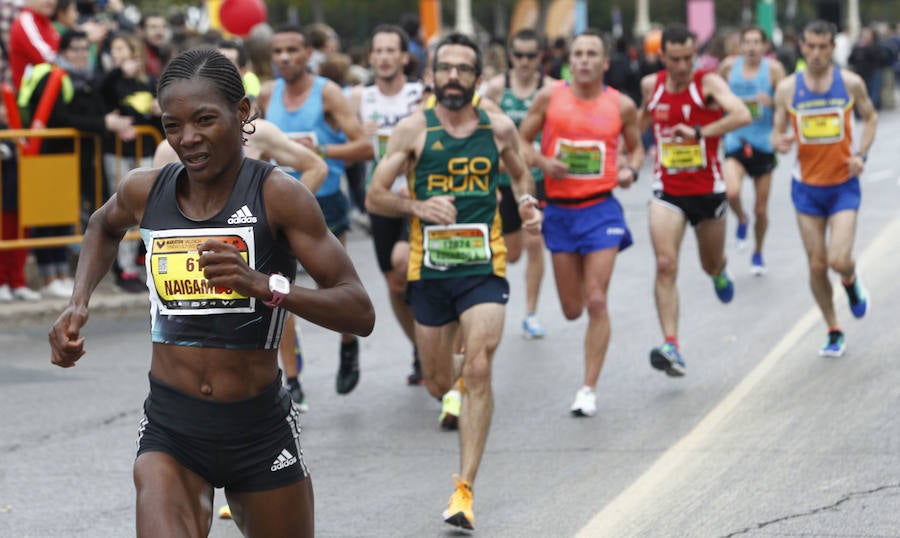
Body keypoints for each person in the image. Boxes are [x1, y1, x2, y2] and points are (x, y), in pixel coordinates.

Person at [49, 48, 375, 537]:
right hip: (172, 428)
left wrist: (266, 286)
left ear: (242, 114)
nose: (189, 139)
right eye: (172, 125)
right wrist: (77, 305)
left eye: (204, 120)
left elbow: (359, 310)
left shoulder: (278, 195)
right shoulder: (147, 191)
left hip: (259, 430)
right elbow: (101, 225)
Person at [366, 32, 541, 531]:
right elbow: (376, 196)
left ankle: (464, 490)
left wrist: (527, 207)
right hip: (431, 270)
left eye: (465, 70)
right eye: (446, 69)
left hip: (484, 264)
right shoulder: (412, 131)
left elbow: (522, 177)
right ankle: (453, 390)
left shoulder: (500, 128)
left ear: (478, 79)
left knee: (480, 366)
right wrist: (417, 206)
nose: (454, 78)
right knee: (440, 381)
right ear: (431, 76)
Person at [519, 29, 643, 416]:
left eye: (592, 54)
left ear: (605, 62)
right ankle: (587, 379)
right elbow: (519, 143)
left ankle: (588, 388)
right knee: (572, 308)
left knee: (596, 299)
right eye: (578, 54)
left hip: (601, 209)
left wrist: (630, 172)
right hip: (559, 210)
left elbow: (637, 150)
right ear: (569, 61)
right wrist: (543, 162)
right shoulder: (549, 97)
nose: (585, 60)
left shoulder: (621, 105)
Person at [258, 24, 374, 401]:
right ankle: (292, 381)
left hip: (322, 200)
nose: (285, 58)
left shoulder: (328, 93)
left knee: (332, 285)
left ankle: (347, 343)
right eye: (278, 51)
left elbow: (363, 148)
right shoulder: (266, 93)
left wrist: (317, 151)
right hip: (276, 204)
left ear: (309, 54)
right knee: (276, 290)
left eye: (293, 50)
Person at [639, 24, 751, 376]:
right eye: (676, 59)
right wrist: (628, 156)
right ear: (663, 58)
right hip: (667, 189)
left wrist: (700, 132)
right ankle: (671, 344)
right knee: (665, 264)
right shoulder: (651, 86)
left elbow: (742, 114)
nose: (684, 65)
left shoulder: (708, 83)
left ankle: (719, 271)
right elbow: (638, 122)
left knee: (709, 263)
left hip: (707, 190)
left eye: (689, 57)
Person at [772, 20, 877, 357]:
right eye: (810, 47)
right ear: (801, 46)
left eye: (823, 47)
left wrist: (861, 153)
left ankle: (850, 279)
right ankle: (833, 327)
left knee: (838, 259)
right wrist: (781, 142)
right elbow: (776, 133)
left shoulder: (850, 83)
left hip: (843, 184)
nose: (816, 54)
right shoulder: (788, 89)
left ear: (832, 47)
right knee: (817, 264)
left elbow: (871, 117)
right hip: (806, 188)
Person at [349, 24, 425, 384]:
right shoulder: (358, 99)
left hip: (416, 199)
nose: (383, 57)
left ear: (404, 57)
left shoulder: (419, 94)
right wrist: (358, 139)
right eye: (377, 51)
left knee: (409, 268)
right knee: (394, 284)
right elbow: (348, 149)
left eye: (390, 51)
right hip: (379, 201)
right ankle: (421, 349)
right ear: (370, 58)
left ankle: (433, 337)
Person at [483, 28, 554, 341]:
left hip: (539, 180)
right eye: (519, 55)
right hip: (504, 179)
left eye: (531, 55)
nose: (525, 61)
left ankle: (530, 313)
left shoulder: (551, 90)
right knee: (512, 254)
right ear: (510, 56)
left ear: (540, 57)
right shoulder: (496, 90)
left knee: (535, 242)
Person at [718, 26, 786, 274]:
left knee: (761, 208)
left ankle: (758, 252)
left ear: (765, 46)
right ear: (741, 45)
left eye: (757, 42)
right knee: (732, 192)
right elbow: (714, 95)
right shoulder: (728, 67)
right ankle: (742, 219)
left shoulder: (774, 70)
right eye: (747, 42)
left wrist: (772, 103)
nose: (752, 47)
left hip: (764, 143)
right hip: (736, 139)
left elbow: (785, 103)